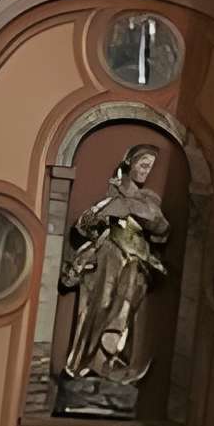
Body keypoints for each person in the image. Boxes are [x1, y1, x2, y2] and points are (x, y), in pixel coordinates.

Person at [60, 146, 171, 409]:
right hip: (109, 256)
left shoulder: (148, 199)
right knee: (101, 306)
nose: (145, 171)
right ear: (129, 164)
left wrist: (127, 204)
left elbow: (161, 225)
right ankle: (87, 365)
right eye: (142, 165)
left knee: (126, 307)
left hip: (137, 261)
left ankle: (113, 360)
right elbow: (84, 224)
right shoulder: (110, 196)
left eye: (149, 167)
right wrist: (108, 211)